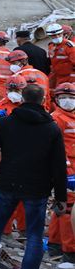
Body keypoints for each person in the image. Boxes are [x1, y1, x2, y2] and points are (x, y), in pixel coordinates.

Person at [0, 84, 68, 269]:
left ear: (22, 98)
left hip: (8, 184)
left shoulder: (6, 122)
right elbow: (58, 166)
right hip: (37, 189)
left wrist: (0, 171)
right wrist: (61, 197)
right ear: (43, 100)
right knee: (34, 237)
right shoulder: (51, 128)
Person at [48, 83, 75, 260]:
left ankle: (55, 243)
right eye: (64, 98)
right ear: (56, 99)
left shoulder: (71, 117)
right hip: (66, 168)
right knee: (68, 209)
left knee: (60, 207)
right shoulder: (55, 119)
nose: (68, 101)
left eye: (71, 98)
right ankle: (70, 250)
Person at [47, 22, 75, 89]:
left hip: (70, 77)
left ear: (62, 33)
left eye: (59, 34)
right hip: (58, 76)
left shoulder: (69, 46)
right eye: (54, 35)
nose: (57, 37)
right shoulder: (51, 46)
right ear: (50, 36)